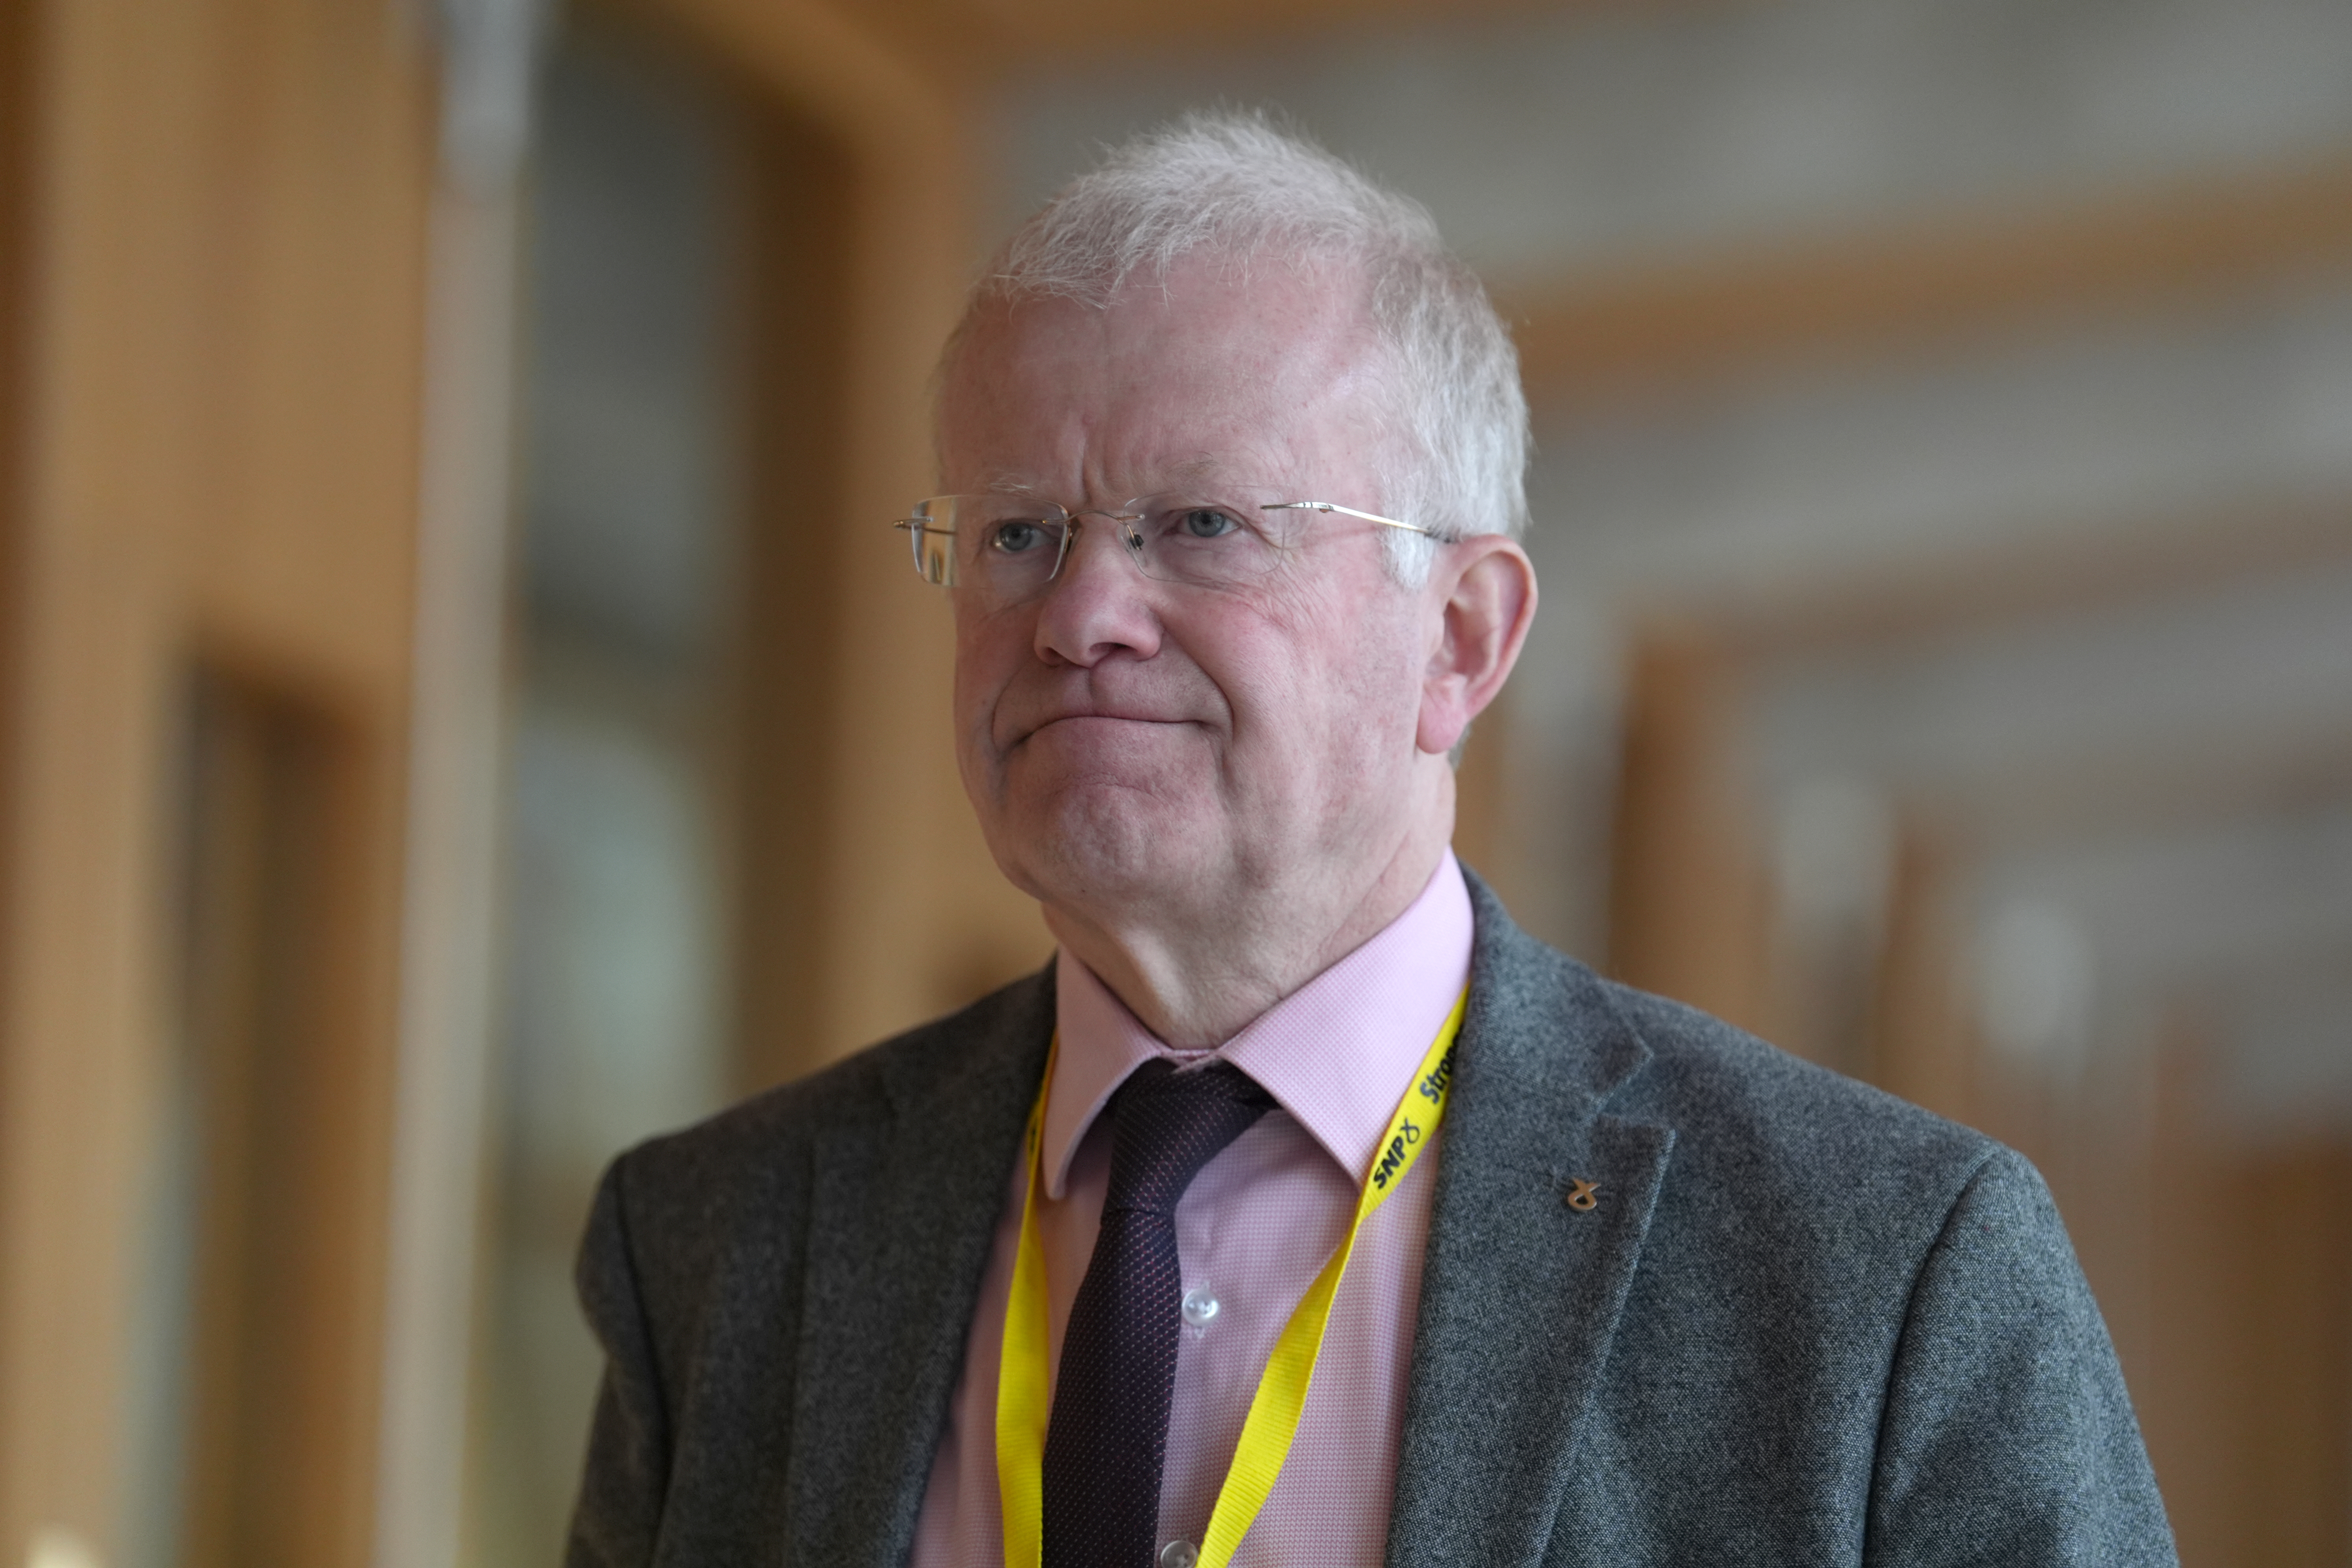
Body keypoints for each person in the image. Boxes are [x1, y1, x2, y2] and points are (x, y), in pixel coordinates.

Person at [565, 113, 2174, 1568]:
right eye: (1017, 535)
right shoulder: (722, 1245)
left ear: (1462, 639)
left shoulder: (1882, 1279)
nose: (1080, 615)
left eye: (1199, 524)